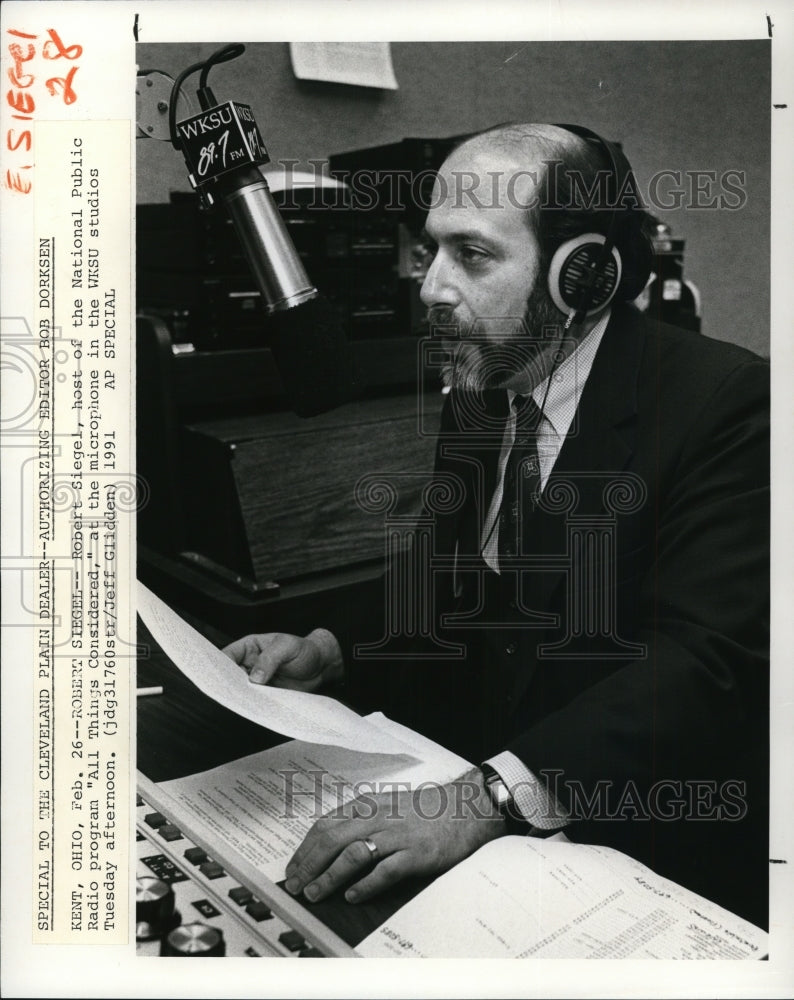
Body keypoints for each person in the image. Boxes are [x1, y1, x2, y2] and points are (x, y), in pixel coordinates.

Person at [224, 124, 769, 928]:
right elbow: (449, 566)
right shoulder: (487, 387)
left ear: (581, 275)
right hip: (499, 829)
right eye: (430, 251)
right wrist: (333, 647)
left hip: (648, 854)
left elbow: (703, 665)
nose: (432, 288)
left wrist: (484, 797)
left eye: (471, 256)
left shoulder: (727, 404)